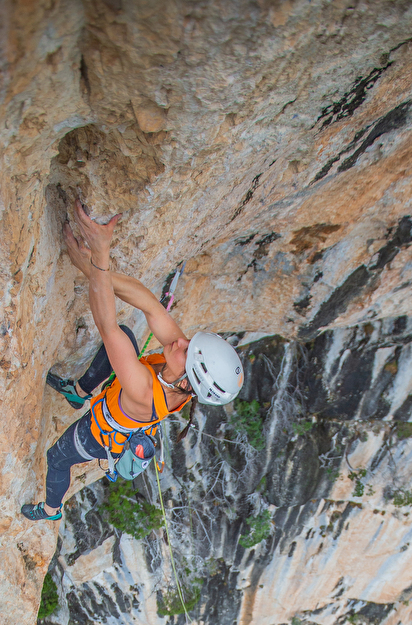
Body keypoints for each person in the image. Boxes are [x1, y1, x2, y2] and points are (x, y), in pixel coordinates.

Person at [21, 200, 244, 521]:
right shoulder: (183, 369)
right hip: (114, 406)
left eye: (186, 348)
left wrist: (100, 255)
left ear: (186, 380)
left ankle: (51, 509)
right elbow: (150, 304)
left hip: (97, 436)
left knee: (56, 459)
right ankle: (79, 393)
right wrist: (88, 267)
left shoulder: (144, 391)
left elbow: (105, 324)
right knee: (127, 333)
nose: (180, 340)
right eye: (189, 343)